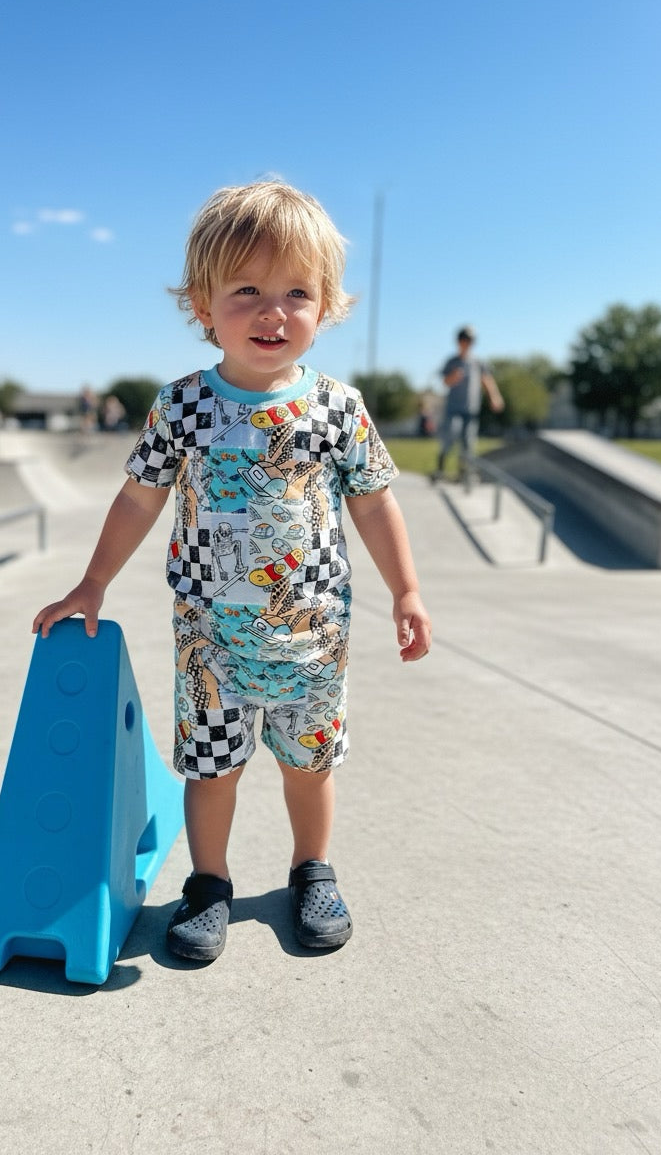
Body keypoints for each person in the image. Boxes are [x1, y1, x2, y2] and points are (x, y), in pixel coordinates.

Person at [32, 181, 431, 963]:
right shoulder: (181, 406)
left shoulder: (338, 409)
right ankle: (208, 884)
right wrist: (93, 581)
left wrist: (406, 589)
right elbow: (140, 500)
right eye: (246, 290)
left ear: (326, 307)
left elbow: (376, 505)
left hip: (312, 638)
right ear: (203, 304)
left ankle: (311, 873)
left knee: (309, 767)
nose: (271, 312)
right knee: (212, 771)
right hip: (210, 643)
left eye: (296, 292)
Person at [433, 326, 504, 479]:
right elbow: (445, 381)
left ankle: (463, 472)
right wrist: (453, 377)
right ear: (459, 342)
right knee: (451, 435)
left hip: (471, 408)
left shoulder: (477, 362)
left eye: (470, 341)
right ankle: (440, 468)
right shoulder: (452, 361)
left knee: (468, 442)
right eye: (465, 340)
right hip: (454, 408)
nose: (467, 343)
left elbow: (487, 380)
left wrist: (495, 397)